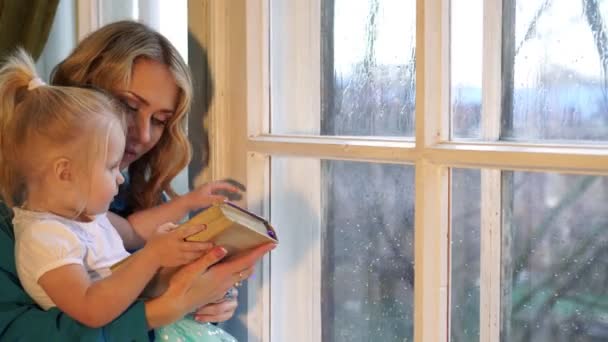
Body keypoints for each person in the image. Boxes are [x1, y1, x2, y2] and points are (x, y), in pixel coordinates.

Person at [0, 21, 274, 341]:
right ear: (78, 97)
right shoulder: (30, 220)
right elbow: (18, 333)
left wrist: (209, 296)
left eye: (159, 120)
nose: (143, 134)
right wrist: (160, 311)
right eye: (128, 107)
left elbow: (150, 276)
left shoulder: (135, 196)